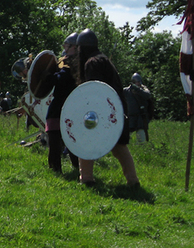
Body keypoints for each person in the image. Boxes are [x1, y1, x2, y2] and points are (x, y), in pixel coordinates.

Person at [73, 29, 139, 188]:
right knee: (118, 147)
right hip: (114, 108)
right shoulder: (103, 60)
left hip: (103, 110)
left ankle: (87, 179)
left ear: (82, 48)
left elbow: (94, 92)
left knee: (85, 142)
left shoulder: (92, 63)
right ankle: (133, 181)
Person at [44, 33, 80, 173]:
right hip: (66, 103)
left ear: (75, 47)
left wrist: (48, 76)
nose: (65, 49)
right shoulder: (65, 61)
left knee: (64, 136)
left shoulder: (75, 63)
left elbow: (61, 78)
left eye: (67, 46)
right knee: (65, 136)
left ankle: (70, 167)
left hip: (67, 103)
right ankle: (59, 168)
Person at [124, 73, 154, 144]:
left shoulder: (143, 89)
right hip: (130, 117)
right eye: (136, 82)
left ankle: (141, 150)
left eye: (138, 81)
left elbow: (147, 95)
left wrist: (138, 90)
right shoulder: (127, 91)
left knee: (141, 138)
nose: (138, 83)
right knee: (125, 136)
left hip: (141, 117)